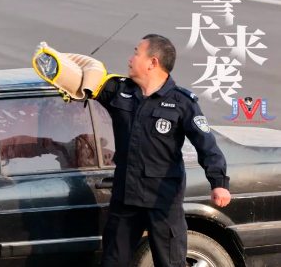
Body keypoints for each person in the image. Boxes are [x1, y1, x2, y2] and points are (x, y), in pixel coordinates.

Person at [94, 34, 232, 267]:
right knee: (113, 261)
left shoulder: (182, 102)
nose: (130, 58)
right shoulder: (119, 92)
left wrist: (218, 181)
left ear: (153, 62)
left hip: (163, 201)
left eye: (136, 53)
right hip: (125, 198)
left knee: (170, 263)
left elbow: (206, 143)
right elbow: (81, 83)